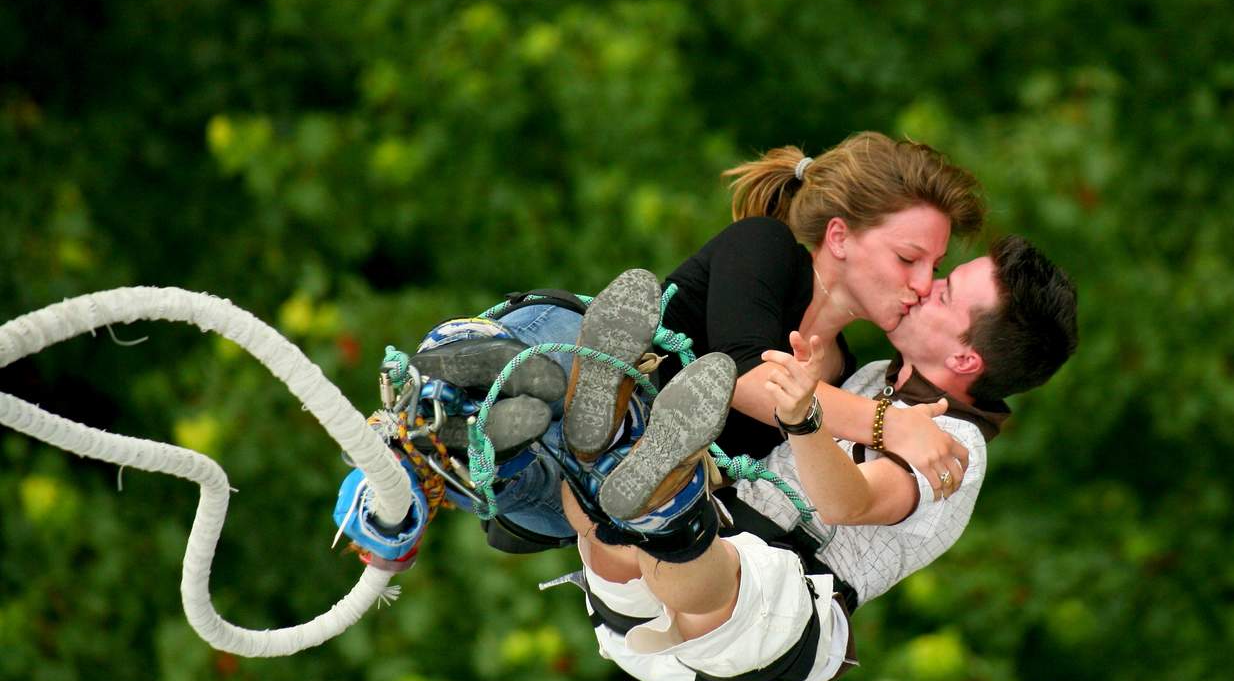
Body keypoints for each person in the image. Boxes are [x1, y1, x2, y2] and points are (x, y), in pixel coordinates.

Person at [352, 131, 989, 550]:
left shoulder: (846, 370)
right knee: (578, 372)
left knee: (608, 494)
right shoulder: (766, 250)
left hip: (595, 491)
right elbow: (745, 379)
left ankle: (530, 447)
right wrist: (891, 426)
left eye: (932, 267)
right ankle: (500, 400)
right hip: (566, 343)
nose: (923, 284)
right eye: (910, 258)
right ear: (842, 238)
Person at [554, 235, 1078, 681]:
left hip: (772, 613)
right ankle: (597, 450)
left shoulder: (958, 446)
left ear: (966, 356)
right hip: (662, 592)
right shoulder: (874, 376)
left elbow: (848, 504)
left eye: (944, 294)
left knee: (710, 568)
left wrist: (805, 420)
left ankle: (652, 497)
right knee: (600, 517)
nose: (923, 289)